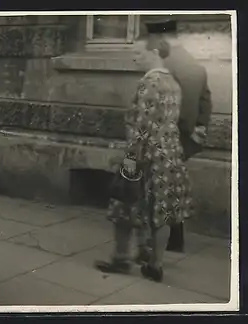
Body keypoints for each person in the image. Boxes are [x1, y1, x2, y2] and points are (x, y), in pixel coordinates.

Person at [94, 32, 193, 282]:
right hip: (170, 155)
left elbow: (141, 128)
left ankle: (121, 259)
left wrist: (129, 161)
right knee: (162, 212)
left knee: (123, 204)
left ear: (155, 53)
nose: (135, 58)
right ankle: (154, 264)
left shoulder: (149, 83)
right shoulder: (173, 82)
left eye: (139, 53)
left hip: (145, 155)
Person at [140, 19, 213, 253]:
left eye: (150, 41)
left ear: (161, 40)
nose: (149, 48)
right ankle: (175, 238)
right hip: (187, 137)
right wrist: (197, 131)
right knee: (173, 187)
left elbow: (169, 107)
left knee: (156, 190)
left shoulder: (163, 66)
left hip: (168, 136)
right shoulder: (196, 65)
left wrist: (178, 130)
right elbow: (205, 102)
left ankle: (155, 245)